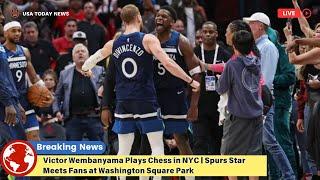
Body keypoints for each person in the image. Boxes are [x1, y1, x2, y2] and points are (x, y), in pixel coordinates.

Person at [82, 4, 199, 180]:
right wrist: (190, 81)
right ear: (138, 18)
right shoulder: (147, 40)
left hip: (123, 101)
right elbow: (168, 63)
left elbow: (93, 59)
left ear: (123, 20)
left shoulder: (114, 43)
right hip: (145, 99)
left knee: (123, 150)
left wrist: (86, 68)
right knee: (157, 146)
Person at [244, 13, 296, 179]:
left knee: (271, 142)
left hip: (263, 102)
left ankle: (288, 175)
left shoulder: (267, 47)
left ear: (260, 26)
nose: (249, 27)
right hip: (259, 101)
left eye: (251, 24)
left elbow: (264, 80)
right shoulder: (257, 47)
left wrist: (256, 102)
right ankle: (280, 175)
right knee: (263, 143)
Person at [151, 6, 201, 159]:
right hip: (153, 96)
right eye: (158, 15)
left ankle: (190, 175)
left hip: (175, 95)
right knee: (150, 139)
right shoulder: (148, 39)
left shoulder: (181, 41)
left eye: (164, 16)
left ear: (172, 22)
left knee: (180, 139)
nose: (159, 18)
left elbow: (196, 74)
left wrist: (193, 106)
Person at [217, 29, 263, 180]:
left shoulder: (232, 64)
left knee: (228, 155)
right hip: (256, 115)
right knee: (254, 155)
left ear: (234, 47)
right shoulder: (256, 60)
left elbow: (220, 88)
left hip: (238, 116)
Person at [4, 21, 52, 141]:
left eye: (19, 31)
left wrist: (46, 91)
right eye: (13, 31)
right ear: (5, 33)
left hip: (25, 100)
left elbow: (34, 77)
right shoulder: (2, 52)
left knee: (34, 140)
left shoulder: (24, 51)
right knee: (13, 143)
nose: (17, 34)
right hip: (8, 102)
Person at [53, 44, 105, 141]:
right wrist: (57, 111)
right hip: (73, 118)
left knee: (99, 149)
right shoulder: (64, 73)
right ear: (73, 57)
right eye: (77, 52)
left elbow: (106, 92)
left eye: (83, 51)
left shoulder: (99, 70)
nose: (80, 53)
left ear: (89, 56)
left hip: (94, 116)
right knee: (73, 151)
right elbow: (57, 95)